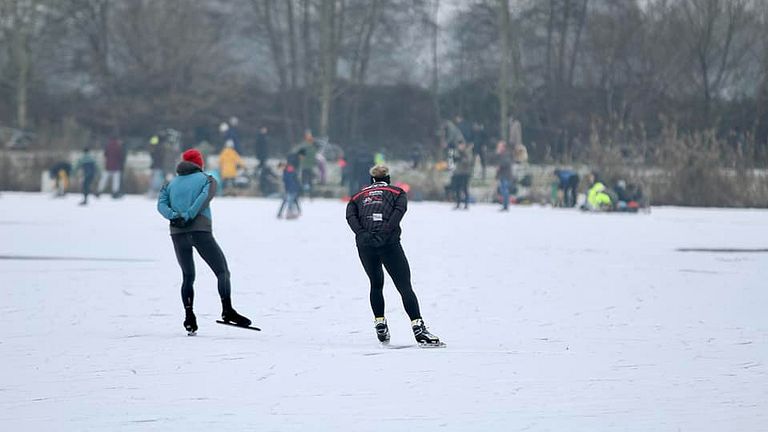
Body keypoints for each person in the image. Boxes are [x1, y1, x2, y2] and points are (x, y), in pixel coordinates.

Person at [346, 164, 443, 347]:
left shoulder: (357, 196)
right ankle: (419, 329)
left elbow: (350, 216)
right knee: (404, 286)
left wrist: (362, 234)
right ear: (388, 178)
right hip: (389, 244)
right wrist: (385, 232)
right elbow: (399, 212)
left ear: (372, 179)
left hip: (365, 245)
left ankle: (380, 323)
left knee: (376, 284)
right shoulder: (397, 192)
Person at [157, 149, 251, 335]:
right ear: (199, 163)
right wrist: (189, 215)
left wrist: (174, 216)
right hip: (200, 231)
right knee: (222, 271)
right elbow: (204, 199)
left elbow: (161, 204)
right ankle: (227, 310)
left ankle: (189, 317)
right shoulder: (207, 179)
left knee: (188, 277)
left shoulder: (169, 183)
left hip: (178, 233)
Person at [277, 151, 303, 219]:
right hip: (290, 189)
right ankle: (282, 213)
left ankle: (289, 213)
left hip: (292, 189)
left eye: (280, 168)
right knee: (288, 201)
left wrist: (290, 189)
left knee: (290, 201)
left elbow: (291, 181)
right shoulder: (286, 171)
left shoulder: (288, 171)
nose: (280, 170)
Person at [452, 141, 473, 209]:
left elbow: (469, 161)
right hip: (458, 172)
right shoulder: (456, 152)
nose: (460, 147)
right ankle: (458, 203)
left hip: (465, 173)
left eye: (462, 145)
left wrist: (461, 158)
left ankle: (466, 204)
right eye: (459, 145)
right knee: (457, 188)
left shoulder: (467, 152)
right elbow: (453, 161)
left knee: (464, 188)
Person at [496, 141, 513, 211]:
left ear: (503, 147)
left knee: (505, 191)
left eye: (500, 146)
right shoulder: (500, 155)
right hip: (502, 175)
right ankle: (504, 205)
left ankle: (506, 205)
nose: (498, 148)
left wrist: (500, 166)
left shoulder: (506, 154)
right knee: (503, 191)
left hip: (506, 175)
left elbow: (507, 162)